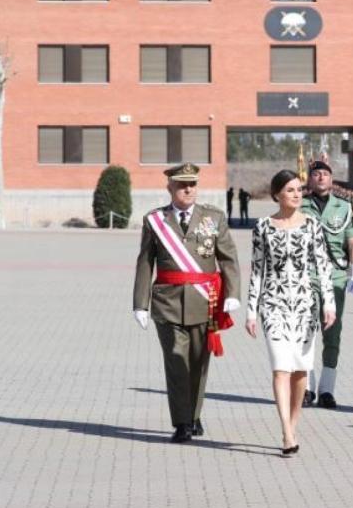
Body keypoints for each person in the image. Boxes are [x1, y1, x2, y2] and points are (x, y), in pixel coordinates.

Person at [132, 162, 241, 443]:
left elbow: (228, 258)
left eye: (192, 184)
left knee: (198, 363)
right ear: (170, 187)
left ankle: (193, 414)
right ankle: (182, 422)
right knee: (176, 363)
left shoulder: (213, 217)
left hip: (205, 302)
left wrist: (233, 294)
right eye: (182, 185)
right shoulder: (155, 220)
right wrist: (140, 304)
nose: (188, 189)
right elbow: (145, 263)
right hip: (167, 302)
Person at [245, 170, 336, 456]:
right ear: (277, 195)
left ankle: (293, 424)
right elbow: (257, 270)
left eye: (299, 189)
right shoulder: (262, 226)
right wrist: (251, 311)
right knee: (280, 368)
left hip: (305, 305)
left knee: (300, 371)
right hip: (273, 306)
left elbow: (323, 267)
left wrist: (328, 303)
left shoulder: (312, 225)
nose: (297, 194)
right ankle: (286, 431)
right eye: (290, 190)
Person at [301, 160, 353, 409]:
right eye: (316, 174)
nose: (321, 178)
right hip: (306, 274)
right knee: (305, 332)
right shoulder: (299, 204)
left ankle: (327, 388)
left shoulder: (344, 206)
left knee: (332, 333)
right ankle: (305, 387)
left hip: (334, 274)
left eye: (325, 174)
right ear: (310, 179)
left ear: (331, 179)